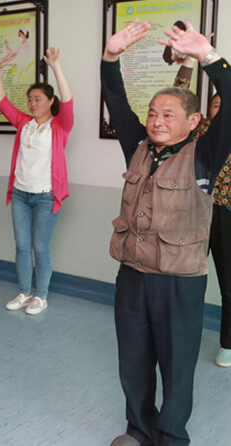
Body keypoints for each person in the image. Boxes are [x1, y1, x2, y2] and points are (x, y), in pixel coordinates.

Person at [101, 20, 231, 446]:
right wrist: (111, 57)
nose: (156, 121)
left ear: (194, 121)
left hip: (179, 283)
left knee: (177, 368)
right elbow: (116, 100)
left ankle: (171, 436)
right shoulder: (138, 145)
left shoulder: (205, 154)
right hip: (133, 276)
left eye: (168, 114)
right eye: (153, 113)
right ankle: (138, 430)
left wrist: (209, 59)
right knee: (132, 362)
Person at [0, 47, 74, 315]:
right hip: (19, 194)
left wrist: (56, 67)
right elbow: (2, 101)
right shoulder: (24, 123)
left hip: (45, 195)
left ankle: (41, 295)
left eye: (38, 99)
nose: (32, 103)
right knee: (21, 246)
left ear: (50, 101)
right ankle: (25, 292)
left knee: (40, 247)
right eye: (29, 99)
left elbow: (69, 101)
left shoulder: (60, 125)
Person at [174, 54, 231, 368]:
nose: (220, 108)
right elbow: (179, 93)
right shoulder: (199, 133)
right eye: (215, 104)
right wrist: (190, 61)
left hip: (226, 214)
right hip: (195, 211)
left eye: (225, 104)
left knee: (229, 282)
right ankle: (178, 332)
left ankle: (229, 344)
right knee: (184, 276)